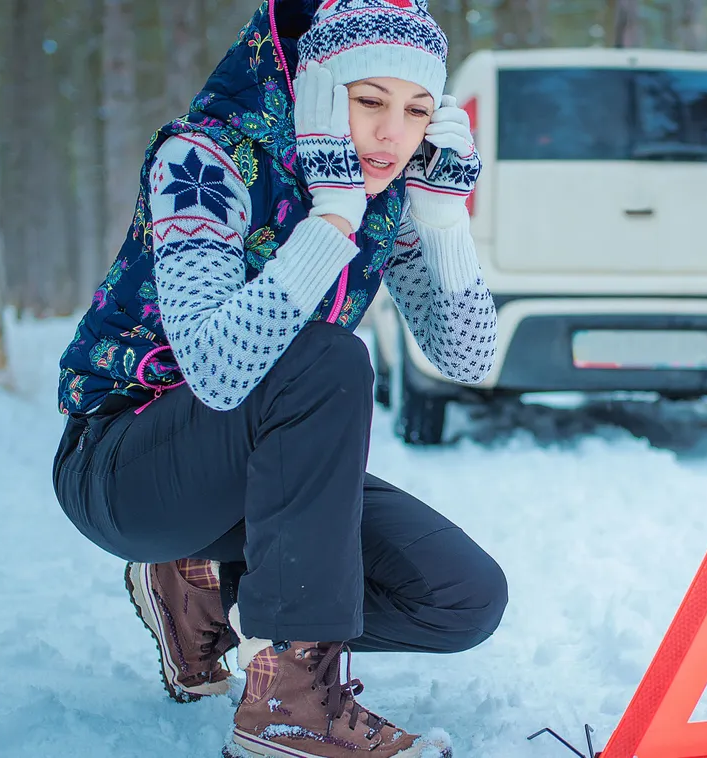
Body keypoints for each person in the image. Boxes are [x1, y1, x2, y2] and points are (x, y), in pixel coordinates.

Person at [50, 2, 506, 756]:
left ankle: (194, 590)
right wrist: (329, 220)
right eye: (369, 102)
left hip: (254, 470)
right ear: (317, 90)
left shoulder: (381, 191)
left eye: (418, 110)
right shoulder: (204, 159)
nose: (394, 133)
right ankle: (292, 704)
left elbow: (466, 360)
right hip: (124, 465)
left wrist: (444, 223)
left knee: (459, 598)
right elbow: (220, 372)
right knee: (327, 357)